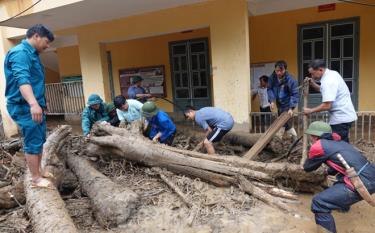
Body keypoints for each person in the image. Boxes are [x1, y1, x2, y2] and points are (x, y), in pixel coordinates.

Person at [4, 24, 54, 188]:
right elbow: (22, 80)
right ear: (36, 36)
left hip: (34, 104)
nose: (48, 46)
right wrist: (33, 103)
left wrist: (41, 101)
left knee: (39, 139)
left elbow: (35, 81)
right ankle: (35, 178)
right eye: (46, 42)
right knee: (32, 141)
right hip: (23, 106)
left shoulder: (33, 54)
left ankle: (38, 171)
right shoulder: (20, 53)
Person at [303, 121, 375, 233]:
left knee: (319, 202)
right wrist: (328, 170)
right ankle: (343, 206)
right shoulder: (341, 143)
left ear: (314, 136)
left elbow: (308, 167)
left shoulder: (318, 146)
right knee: (338, 182)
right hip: (370, 173)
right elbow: (341, 162)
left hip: (361, 180)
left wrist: (311, 153)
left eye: (311, 136)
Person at [303, 59, 357, 143]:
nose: (312, 76)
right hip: (344, 116)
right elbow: (325, 90)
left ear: (320, 70)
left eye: (313, 73)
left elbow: (327, 105)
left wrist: (310, 110)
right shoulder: (332, 74)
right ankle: (347, 154)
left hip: (341, 118)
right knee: (342, 142)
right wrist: (313, 84)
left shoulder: (328, 81)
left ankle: (345, 155)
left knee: (338, 144)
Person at [268, 60, 299, 140]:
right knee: (285, 123)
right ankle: (294, 139)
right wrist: (271, 101)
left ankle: (279, 138)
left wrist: (291, 108)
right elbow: (269, 89)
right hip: (279, 104)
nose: (278, 73)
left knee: (283, 122)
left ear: (285, 70)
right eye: (277, 70)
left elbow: (294, 94)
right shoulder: (272, 77)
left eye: (281, 71)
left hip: (288, 104)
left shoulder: (291, 80)